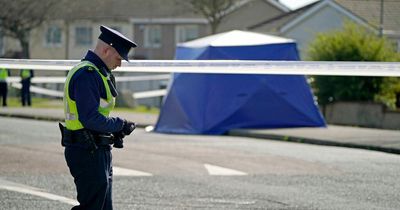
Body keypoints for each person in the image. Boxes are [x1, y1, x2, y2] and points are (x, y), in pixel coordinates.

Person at [60, 25, 137, 210]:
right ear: (106, 50)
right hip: (86, 150)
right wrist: (119, 124)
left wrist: (114, 130)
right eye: (119, 58)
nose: (119, 64)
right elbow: (90, 118)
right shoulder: (87, 75)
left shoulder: (99, 73)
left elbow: (98, 116)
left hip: (97, 149)